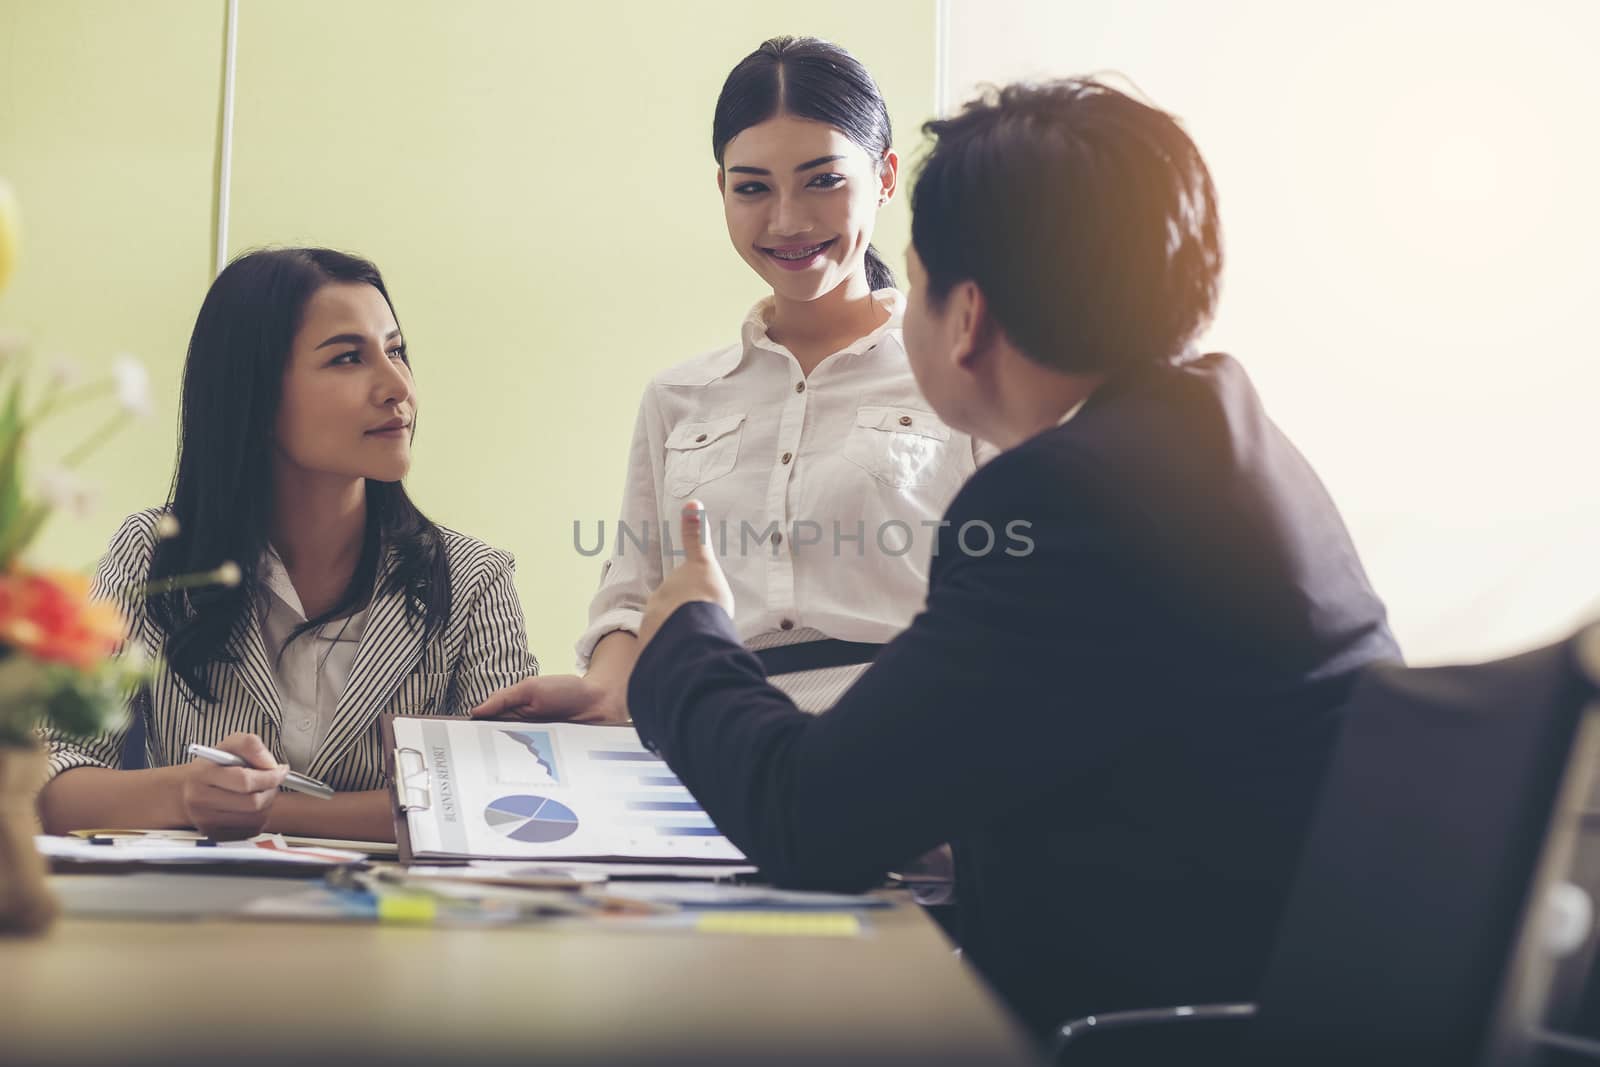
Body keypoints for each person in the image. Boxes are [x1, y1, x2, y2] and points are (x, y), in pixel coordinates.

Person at [621, 80, 1403, 1035]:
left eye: (912, 278)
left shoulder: (1071, 503)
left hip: (1141, 1025)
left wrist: (689, 630)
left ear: (967, 316)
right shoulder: (1217, 432)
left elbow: (808, 823)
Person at [473, 36, 989, 725]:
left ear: (886, 177)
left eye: (823, 180)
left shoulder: (963, 377)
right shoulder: (678, 398)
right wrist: (599, 691)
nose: (787, 220)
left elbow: (1011, 601)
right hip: (711, 744)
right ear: (722, 190)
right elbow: (633, 598)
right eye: (753, 188)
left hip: (901, 740)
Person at [36, 248, 538, 842]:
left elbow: (509, 800)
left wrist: (265, 812)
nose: (398, 387)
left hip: (394, 927)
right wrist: (185, 790)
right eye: (349, 358)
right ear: (254, 393)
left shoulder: (472, 576)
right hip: (201, 923)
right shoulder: (154, 554)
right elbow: (50, 778)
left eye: (396, 351)